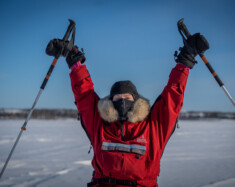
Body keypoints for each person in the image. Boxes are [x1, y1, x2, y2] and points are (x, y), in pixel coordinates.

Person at [46, 32, 209, 187]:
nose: (122, 102)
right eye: (117, 98)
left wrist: (185, 59)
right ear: (110, 102)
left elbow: (172, 97)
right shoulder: (100, 125)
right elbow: (85, 96)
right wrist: (73, 60)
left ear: (136, 102)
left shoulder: (153, 128)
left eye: (127, 98)